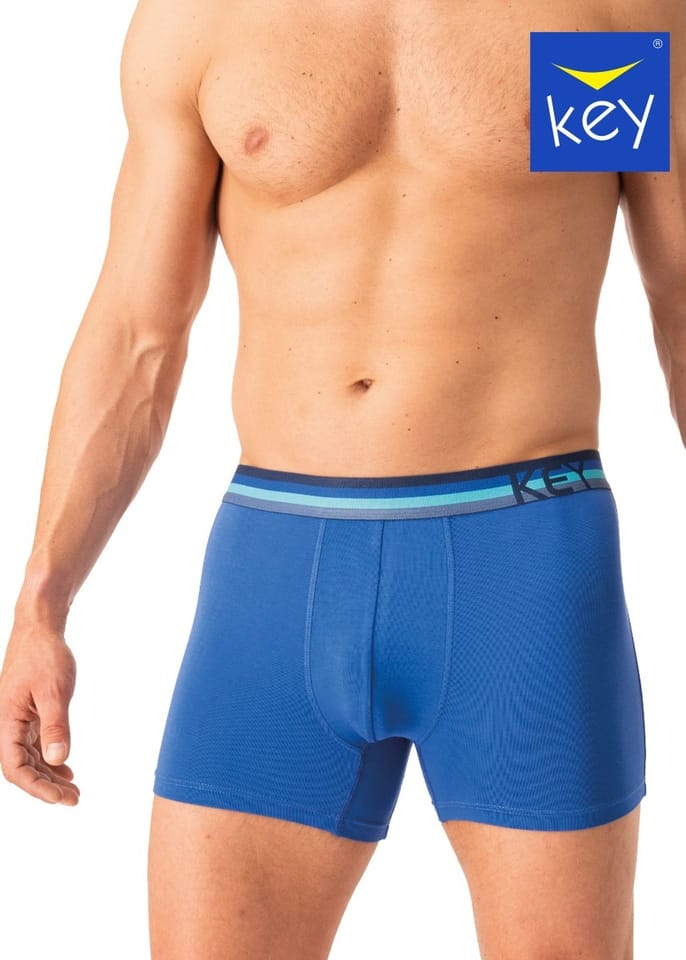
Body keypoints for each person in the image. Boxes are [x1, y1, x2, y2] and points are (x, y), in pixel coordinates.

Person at [0, 0, 683, 956]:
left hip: (522, 567)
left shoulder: (597, 13)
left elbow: (679, 293)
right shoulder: (201, 21)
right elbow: (139, 333)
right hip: (278, 577)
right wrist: (41, 603)